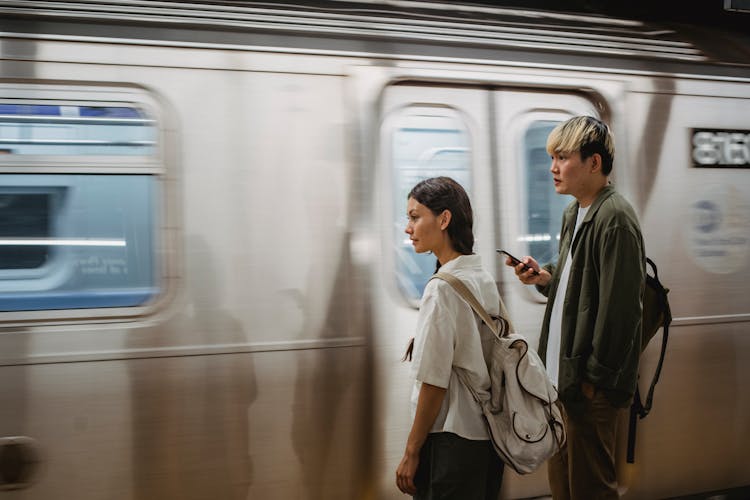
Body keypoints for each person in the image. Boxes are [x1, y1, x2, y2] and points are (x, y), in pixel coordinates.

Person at [505, 116, 645, 499]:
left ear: (594, 163)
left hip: (588, 388)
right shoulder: (576, 212)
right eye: (552, 157)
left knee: (590, 489)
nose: (552, 167)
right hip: (563, 381)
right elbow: (577, 281)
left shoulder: (614, 218)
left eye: (563, 157)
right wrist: (544, 276)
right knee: (564, 487)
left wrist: (594, 382)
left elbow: (621, 312)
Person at [396, 176, 504, 499]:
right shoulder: (480, 277)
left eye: (415, 217)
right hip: (485, 441)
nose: (408, 227)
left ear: (444, 219)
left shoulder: (442, 289)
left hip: (451, 446)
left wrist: (412, 451)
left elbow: (434, 382)